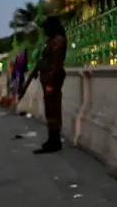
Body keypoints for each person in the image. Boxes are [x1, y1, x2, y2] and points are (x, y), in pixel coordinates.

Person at [29, 16, 67, 154]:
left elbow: (56, 63)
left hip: (53, 79)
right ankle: (52, 139)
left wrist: (51, 82)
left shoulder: (58, 40)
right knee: (49, 110)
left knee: (53, 109)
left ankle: (55, 141)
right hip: (47, 78)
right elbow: (43, 59)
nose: (44, 30)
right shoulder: (50, 41)